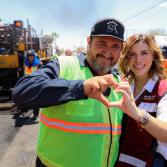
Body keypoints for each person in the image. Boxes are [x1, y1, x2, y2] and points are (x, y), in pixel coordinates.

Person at [12, 18, 125, 167]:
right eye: (102, 43)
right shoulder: (63, 65)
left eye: (115, 46)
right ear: (88, 42)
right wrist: (80, 88)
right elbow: (22, 91)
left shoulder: (119, 83)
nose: (108, 52)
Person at [109, 34, 167, 167]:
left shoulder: (163, 89)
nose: (138, 60)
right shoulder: (121, 83)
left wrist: (137, 113)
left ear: (154, 55)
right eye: (132, 54)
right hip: (115, 161)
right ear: (126, 58)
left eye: (144, 53)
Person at [24, 49, 42, 120]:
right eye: (29, 56)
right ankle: (26, 109)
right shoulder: (26, 63)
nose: (30, 57)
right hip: (28, 83)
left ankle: (36, 114)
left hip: (35, 84)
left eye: (31, 56)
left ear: (34, 56)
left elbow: (40, 75)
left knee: (36, 99)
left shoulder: (39, 64)